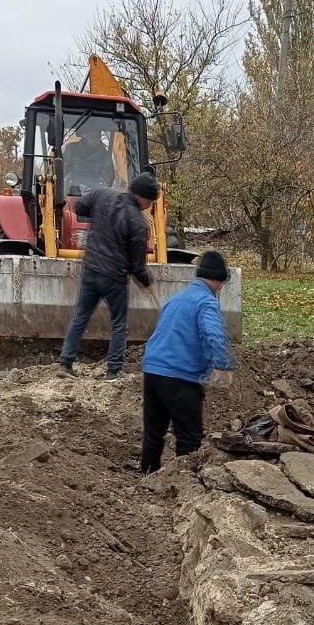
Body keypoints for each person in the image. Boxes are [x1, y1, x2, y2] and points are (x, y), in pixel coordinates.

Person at [139, 251, 236, 473]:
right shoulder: (206, 301)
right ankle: (184, 485)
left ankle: (147, 477)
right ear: (218, 280)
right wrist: (221, 366)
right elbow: (213, 335)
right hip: (179, 376)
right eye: (221, 282)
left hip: (153, 371)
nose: (221, 287)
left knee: (154, 433)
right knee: (190, 438)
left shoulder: (176, 299)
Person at [58, 172, 161, 381]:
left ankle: (65, 364)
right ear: (141, 196)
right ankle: (114, 371)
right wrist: (147, 282)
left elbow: (79, 208)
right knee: (119, 324)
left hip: (91, 270)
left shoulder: (102, 194)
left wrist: (98, 216)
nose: (149, 205)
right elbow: (136, 265)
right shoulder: (139, 225)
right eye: (150, 201)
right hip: (113, 279)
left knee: (80, 316)